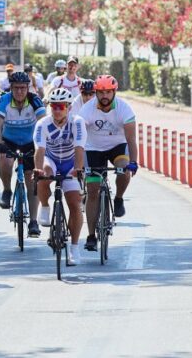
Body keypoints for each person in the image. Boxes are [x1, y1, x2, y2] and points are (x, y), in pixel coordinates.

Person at [79, 75, 139, 251]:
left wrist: (133, 162)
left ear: (114, 92)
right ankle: (91, 235)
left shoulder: (124, 109)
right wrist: (80, 164)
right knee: (92, 191)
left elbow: (131, 139)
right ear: (96, 93)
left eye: (108, 92)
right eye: (101, 92)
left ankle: (118, 198)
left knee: (123, 168)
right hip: (93, 148)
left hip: (117, 146)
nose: (104, 96)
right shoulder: (87, 109)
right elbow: (80, 140)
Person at [33, 87, 87, 266]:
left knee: (75, 204)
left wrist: (78, 169)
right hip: (52, 159)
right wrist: (37, 170)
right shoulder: (43, 124)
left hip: (70, 162)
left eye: (61, 106)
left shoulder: (77, 122)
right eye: (54, 106)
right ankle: (45, 206)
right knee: (43, 173)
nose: (57, 110)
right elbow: (40, 150)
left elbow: (79, 148)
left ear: (69, 107)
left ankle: (74, 248)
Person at [0, 71, 46, 237]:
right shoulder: (4, 101)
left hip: (30, 142)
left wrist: (43, 146)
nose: (20, 92)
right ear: (11, 88)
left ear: (28, 88)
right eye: (16, 88)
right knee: (5, 161)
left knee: (32, 180)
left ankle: (33, 221)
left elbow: (44, 122)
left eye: (23, 88)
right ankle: (7, 190)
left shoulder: (35, 100)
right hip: (9, 140)